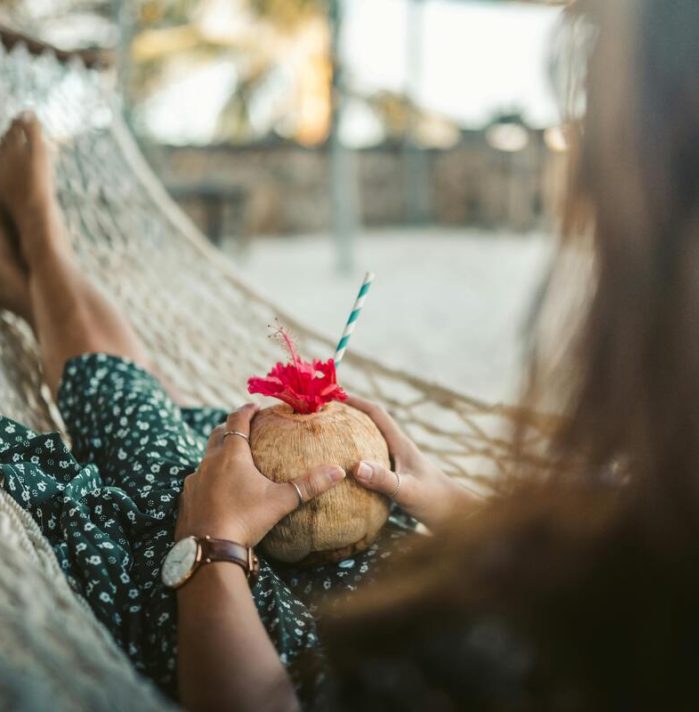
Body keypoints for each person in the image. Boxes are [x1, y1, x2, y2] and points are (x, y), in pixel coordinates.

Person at [164, 0, 699, 710]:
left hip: (261, 607)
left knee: (160, 454)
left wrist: (208, 549)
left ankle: (49, 267)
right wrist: (458, 504)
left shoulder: (472, 667)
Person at [0, 111, 479, 708]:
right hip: (402, 564)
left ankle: (45, 248)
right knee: (183, 438)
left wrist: (214, 540)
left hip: (264, 639)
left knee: (153, 436)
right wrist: (454, 504)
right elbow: (555, 584)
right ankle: (29, 287)